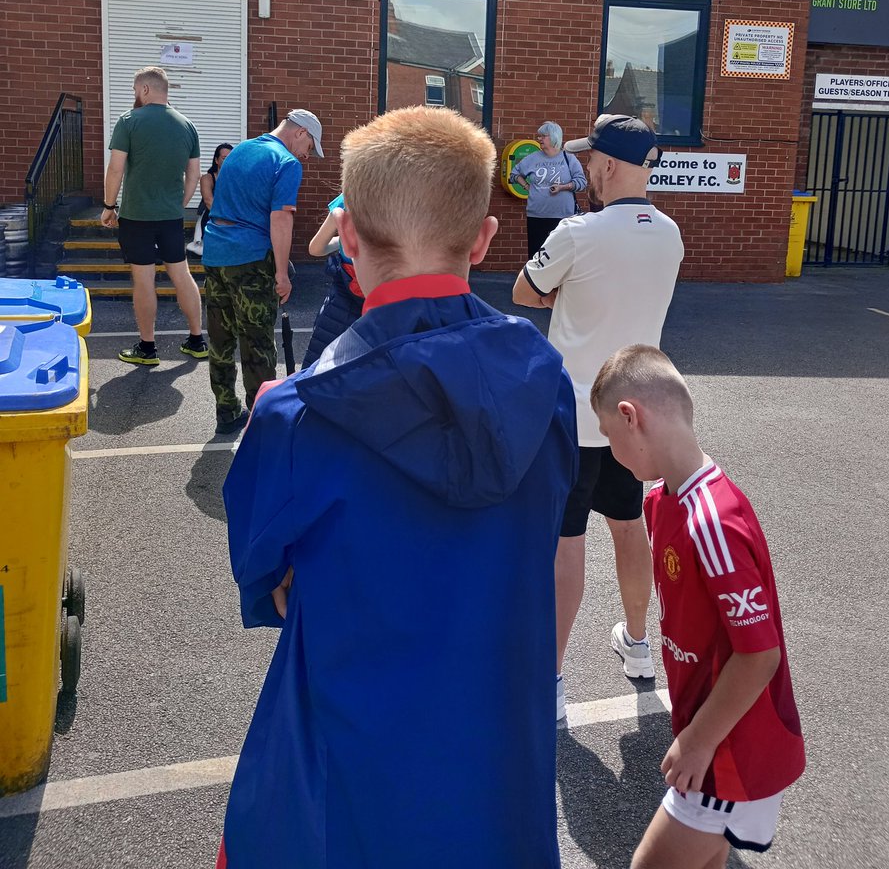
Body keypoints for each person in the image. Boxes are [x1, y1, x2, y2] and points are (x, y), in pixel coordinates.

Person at [217, 105, 578, 869]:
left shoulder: (295, 415)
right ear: (483, 239)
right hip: (494, 770)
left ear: (347, 240)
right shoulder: (545, 382)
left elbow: (270, 583)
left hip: (348, 777)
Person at [591, 346, 805, 869]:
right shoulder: (661, 501)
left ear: (630, 417)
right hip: (714, 736)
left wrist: (697, 742)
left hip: (732, 748)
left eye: (610, 440)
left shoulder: (711, 521)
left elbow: (759, 655)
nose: (612, 454)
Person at [512, 113, 684, 722]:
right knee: (628, 525)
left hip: (575, 416)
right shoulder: (670, 235)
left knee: (566, 541)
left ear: (609, 164)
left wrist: (569, 293)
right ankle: (639, 646)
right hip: (635, 416)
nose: (585, 168)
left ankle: (554, 677)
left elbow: (523, 291)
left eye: (590, 160)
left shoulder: (576, 233)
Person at [202, 109, 323, 435]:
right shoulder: (286, 163)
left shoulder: (240, 150)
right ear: (300, 132)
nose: (306, 156)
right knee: (256, 344)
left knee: (220, 338)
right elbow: (281, 219)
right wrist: (281, 274)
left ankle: (226, 412)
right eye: (310, 147)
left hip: (215, 254)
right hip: (252, 260)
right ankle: (262, 423)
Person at [102, 66, 207, 367]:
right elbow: (194, 175)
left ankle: (148, 349)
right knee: (181, 275)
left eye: (136, 91)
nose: (135, 97)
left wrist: (110, 207)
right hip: (171, 218)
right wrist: (179, 204)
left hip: (137, 217)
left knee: (144, 280)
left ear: (145, 89)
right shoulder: (187, 125)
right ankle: (197, 340)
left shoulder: (129, 121)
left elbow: (115, 169)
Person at [301, 191, 364, 370]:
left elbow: (316, 248)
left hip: (339, 303)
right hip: (383, 309)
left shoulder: (349, 196)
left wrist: (342, 241)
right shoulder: (409, 196)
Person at [510, 121, 587, 256]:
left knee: (561, 255)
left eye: (543, 136)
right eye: (539, 136)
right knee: (536, 255)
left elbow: (581, 182)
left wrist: (563, 187)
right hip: (537, 215)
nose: (539, 139)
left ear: (554, 137)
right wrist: (527, 186)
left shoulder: (569, 158)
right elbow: (514, 174)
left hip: (563, 217)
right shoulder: (532, 158)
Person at [187, 143, 233, 256]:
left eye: (231, 158)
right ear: (216, 160)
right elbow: (208, 201)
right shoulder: (208, 178)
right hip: (212, 216)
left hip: (233, 217)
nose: (227, 161)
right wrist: (227, 219)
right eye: (224, 158)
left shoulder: (237, 179)